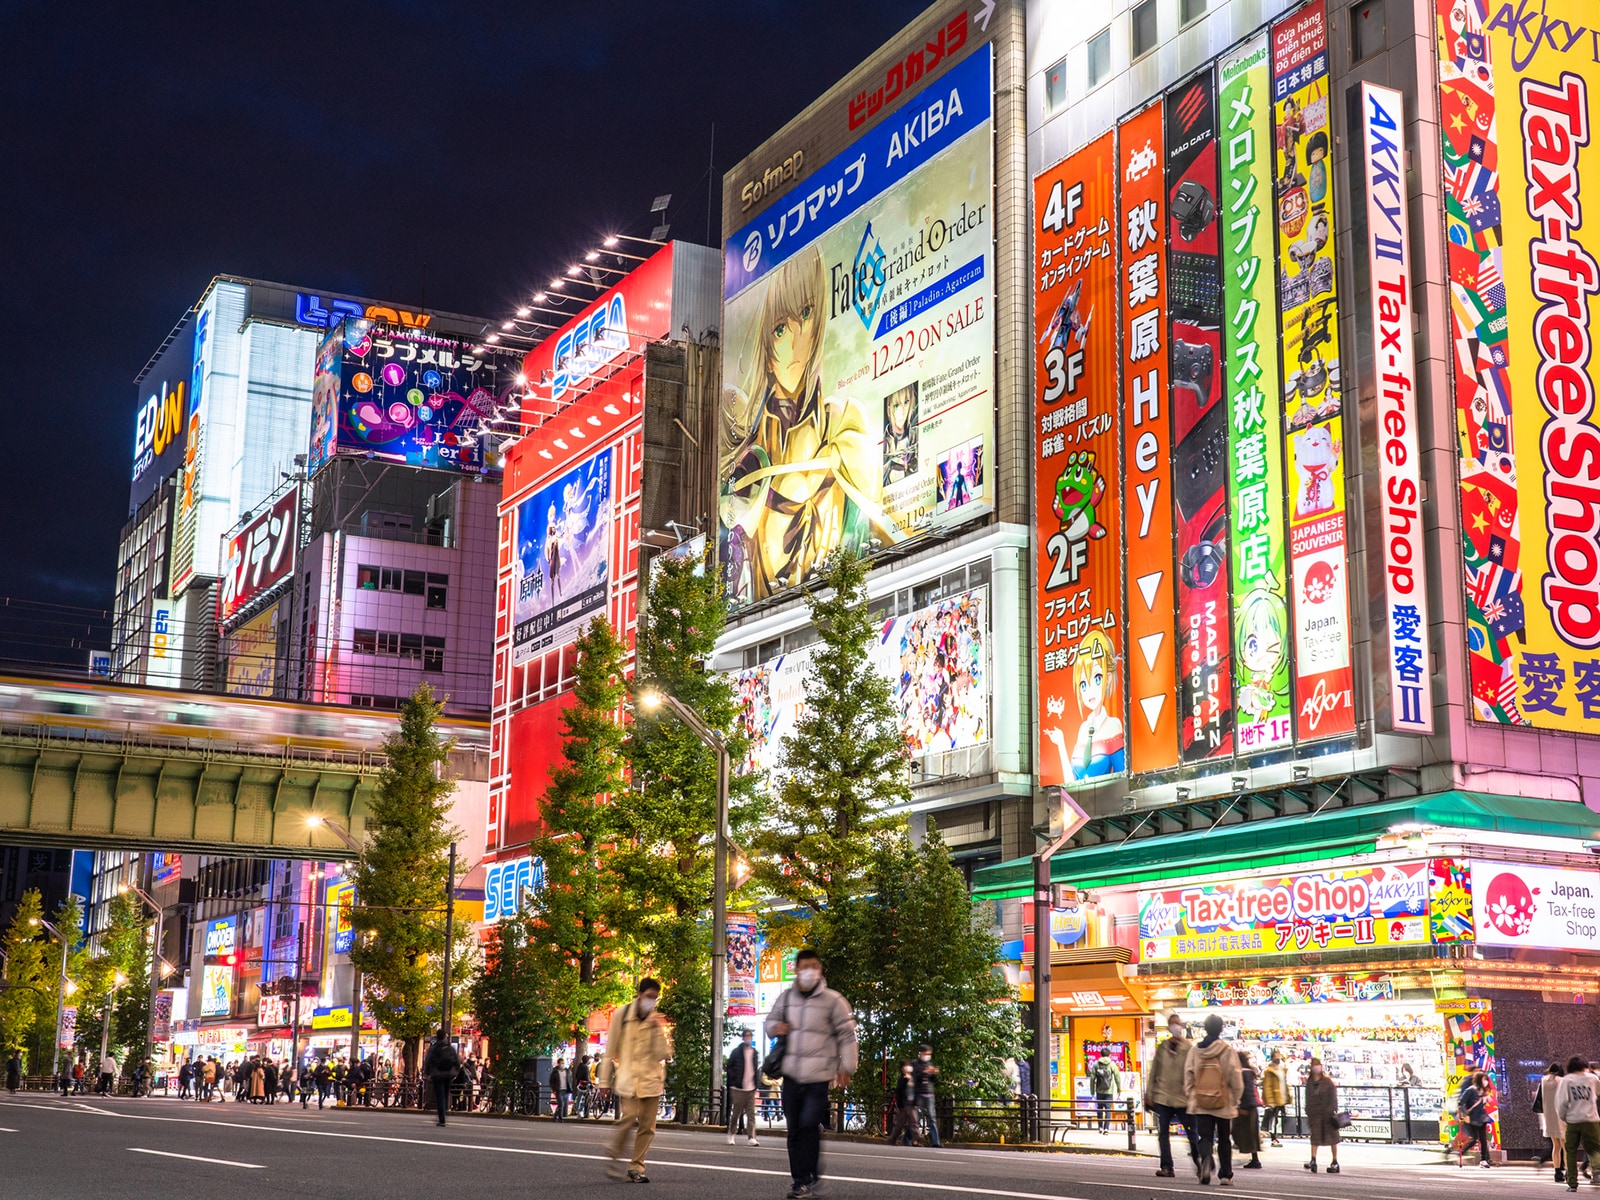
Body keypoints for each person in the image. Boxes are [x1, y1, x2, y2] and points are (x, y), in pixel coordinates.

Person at [766, 947, 858, 1200]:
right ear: (796, 970)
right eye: (805, 967)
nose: (809, 972)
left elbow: (847, 1035)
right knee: (795, 1129)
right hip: (792, 1077)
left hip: (819, 1077)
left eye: (814, 967)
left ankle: (810, 1176)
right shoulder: (785, 998)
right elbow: (769, 1022)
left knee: (808, 1125)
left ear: (820, 970)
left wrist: (846, 1067)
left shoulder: (833, 1000)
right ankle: (801, 1181)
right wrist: (776, 1027)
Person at [602, 977, 673, 1184]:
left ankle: (636, 1167)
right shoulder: (622, 1014)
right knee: (629, 1117)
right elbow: (609, 1051)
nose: (652, 1001)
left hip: (652, 1079)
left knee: (647, 1127)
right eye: (649, 996)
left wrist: (657, 1030)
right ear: (639, 994)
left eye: (655, 998)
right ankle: (614, 1151)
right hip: (629, 1078)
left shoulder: (655, 1019)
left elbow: (664, 1054)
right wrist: (604, 1082)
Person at [1183, 1013, 1242, 1186]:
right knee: (1224, 1138)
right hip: (1223, 1102)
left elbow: (1188, 1075)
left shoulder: (1195, 1050)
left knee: (1205, 1137)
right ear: (1221, 1029)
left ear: (1205, 1029)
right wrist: (1235, 1099)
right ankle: (1225, 1175)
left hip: (1201, 1102)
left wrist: (1191, 1094)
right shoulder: (1227, 1050)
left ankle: (1207, 1158)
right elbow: (1235, 1078)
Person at [1144, 1013, 1197, 1179]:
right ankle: (1167, 1167)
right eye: (1172, 1024)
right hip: (1163, 1097)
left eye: (1177, 1024)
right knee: (1163, 1135)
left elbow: (1196, 1072)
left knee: (1192, 1134)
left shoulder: (1189, 1048)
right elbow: (1154, 1072)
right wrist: (1149, 1093)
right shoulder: (1163, 1047)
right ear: (1168, 1027)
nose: (1175, 1027)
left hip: (1183, 1099)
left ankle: (1199, 1163)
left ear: (1181, 1026)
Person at [1558, 1055, 1600, 1193]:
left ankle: (1572, 1183)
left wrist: (1564, 1117)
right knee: (1595, 1148)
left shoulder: (1566, 1081)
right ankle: (1598, 1171)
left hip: (1573, 1120)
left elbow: (1562, 1103)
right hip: (1591, 1120)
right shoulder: (1593, 1079)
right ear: (1585, 1066)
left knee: (1571, 1151)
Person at [1303, 1058, 1341, 1174]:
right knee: (1315, 1137)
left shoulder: (1327, 1082)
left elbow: (1333, 1097)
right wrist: (1308, 1111)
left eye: (1318, 1065)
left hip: (1327, 1115)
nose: (1316, 1067)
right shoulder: (1310, 1082)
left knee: (1332, 1138)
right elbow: (1308, 1098)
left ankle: (1335, 1161)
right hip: (1315, 1115)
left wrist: (1332, 1109)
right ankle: (1313, 1159)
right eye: (1314, 1065)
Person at [727, 1028, 762, 1146]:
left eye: (750, 1036)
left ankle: (751, 1137)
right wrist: (734, 1081)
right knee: (736, 1113)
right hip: (738, 1088)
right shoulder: (736, 1052)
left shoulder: (754, 1053)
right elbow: (729, 1067)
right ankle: (732, 1133)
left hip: (751, 1088)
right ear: (743, 1037)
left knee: (751, 1114)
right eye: (746, 1036)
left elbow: (755, 1069)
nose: (748, 1038)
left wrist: (756, 1083)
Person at [423, 1030, 461, 1127]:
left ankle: (442, 1118)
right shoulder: (450, 1048)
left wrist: (427, 1073)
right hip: (448, 1074)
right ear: (445, 1037)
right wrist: (454, 1072)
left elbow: (428, 1061)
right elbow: (457, 1061)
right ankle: (444, 1112)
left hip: (437, 1074)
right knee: (445, 1094)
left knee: (439, 1096)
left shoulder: (434, 1048)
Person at [1457, 1070, 1493, 1168]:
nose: (1485, 1081)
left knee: (1483, 1140)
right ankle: (1461, 1152)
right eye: (1484, 1079)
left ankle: (1483, 1160)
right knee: (1474, 1139)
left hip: (1482, 1118)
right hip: (1472, 1118)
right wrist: (1465, 1115)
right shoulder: (1470, 1090)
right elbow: (1461, 1102)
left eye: (1486, 1079)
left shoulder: (1484, 1092)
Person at [1233, 1051, 1262, 1169]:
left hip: (1246, 1107)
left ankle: (1255, 1159)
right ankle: (1254, 1158)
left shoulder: (1243, 1073)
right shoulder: (1249, 1072)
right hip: (1250, 1106)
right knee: (1250, 1133)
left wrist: (1242, 1107)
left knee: (1245, 1133)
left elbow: (1246, 1091)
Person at [1543, 1062, 1569, 1183]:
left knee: (1556, 1146)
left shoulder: (1543, 1080)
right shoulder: (1562, 1081)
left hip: (1549, 1117)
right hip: (1562, 1116)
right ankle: (1569, 1172)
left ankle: (1557, 1173)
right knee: (1566, 1147)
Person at [1261, 1049, 1290, 1147]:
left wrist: (1288, 1097)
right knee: (1273, 1120)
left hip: (1281, 1098)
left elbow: (1284, 1084)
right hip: (1274, 1099)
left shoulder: (1282, 1070)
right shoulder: (1269, 1071)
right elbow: (1267, 1086)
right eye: (1276, 1055)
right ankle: (1273, 1138)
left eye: (1279, 1055)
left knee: (1277, 1120)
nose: (1278, 1057)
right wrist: (1269, 1100)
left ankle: (1274, 1137)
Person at [914, 1045, 941, 1149]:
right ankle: (911, 1139)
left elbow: (932, 1080)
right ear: (921, 1053)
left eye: (929, 1054)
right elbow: (915, 1077)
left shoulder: (929, 1064)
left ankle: (936, 1141)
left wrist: (934, 1073)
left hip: (929, 1093)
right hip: (919, 1093)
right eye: (926, 1054)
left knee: (932, 1118)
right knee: (915, 1117)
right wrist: (924, 1072)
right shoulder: (915, 1064)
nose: (927, 1056)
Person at [887, 1062, 920, 1147]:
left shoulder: (913, 1078)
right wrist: (899, 1104)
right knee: (899, 1124)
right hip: (903, 1104)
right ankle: (892, 1139)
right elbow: (899, 1091)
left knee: (914, 1123)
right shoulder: (902, 1079)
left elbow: (916, 1090)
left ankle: (915, 1141)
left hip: (912, 1104)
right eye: (906, 1066)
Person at [1090, 1051, 1121, 1135]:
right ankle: (1106, 1128)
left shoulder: (1096, 1064)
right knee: (1108, 1110)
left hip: (1099, 1090)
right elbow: (1117, 1077)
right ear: (1109, 1055)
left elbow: (1092, 1078)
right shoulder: (1112, 1064)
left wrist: (1092, 1091)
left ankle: (1100, 1127)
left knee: (1099, 1108)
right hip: (1109, 1090)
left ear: (1101, 1054)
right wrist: (1119, 1089)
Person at [574, 1053, 592, 1118]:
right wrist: (590, 1083)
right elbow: (587, 1077)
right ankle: (582, 1111)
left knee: (579, 1098)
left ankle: (578, 1111)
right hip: (584, 1085)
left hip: (579, 1084)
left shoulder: (579, 1066)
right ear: (587, 1061)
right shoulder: (586, 1067)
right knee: (585, 1098)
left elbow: (576, 1075)